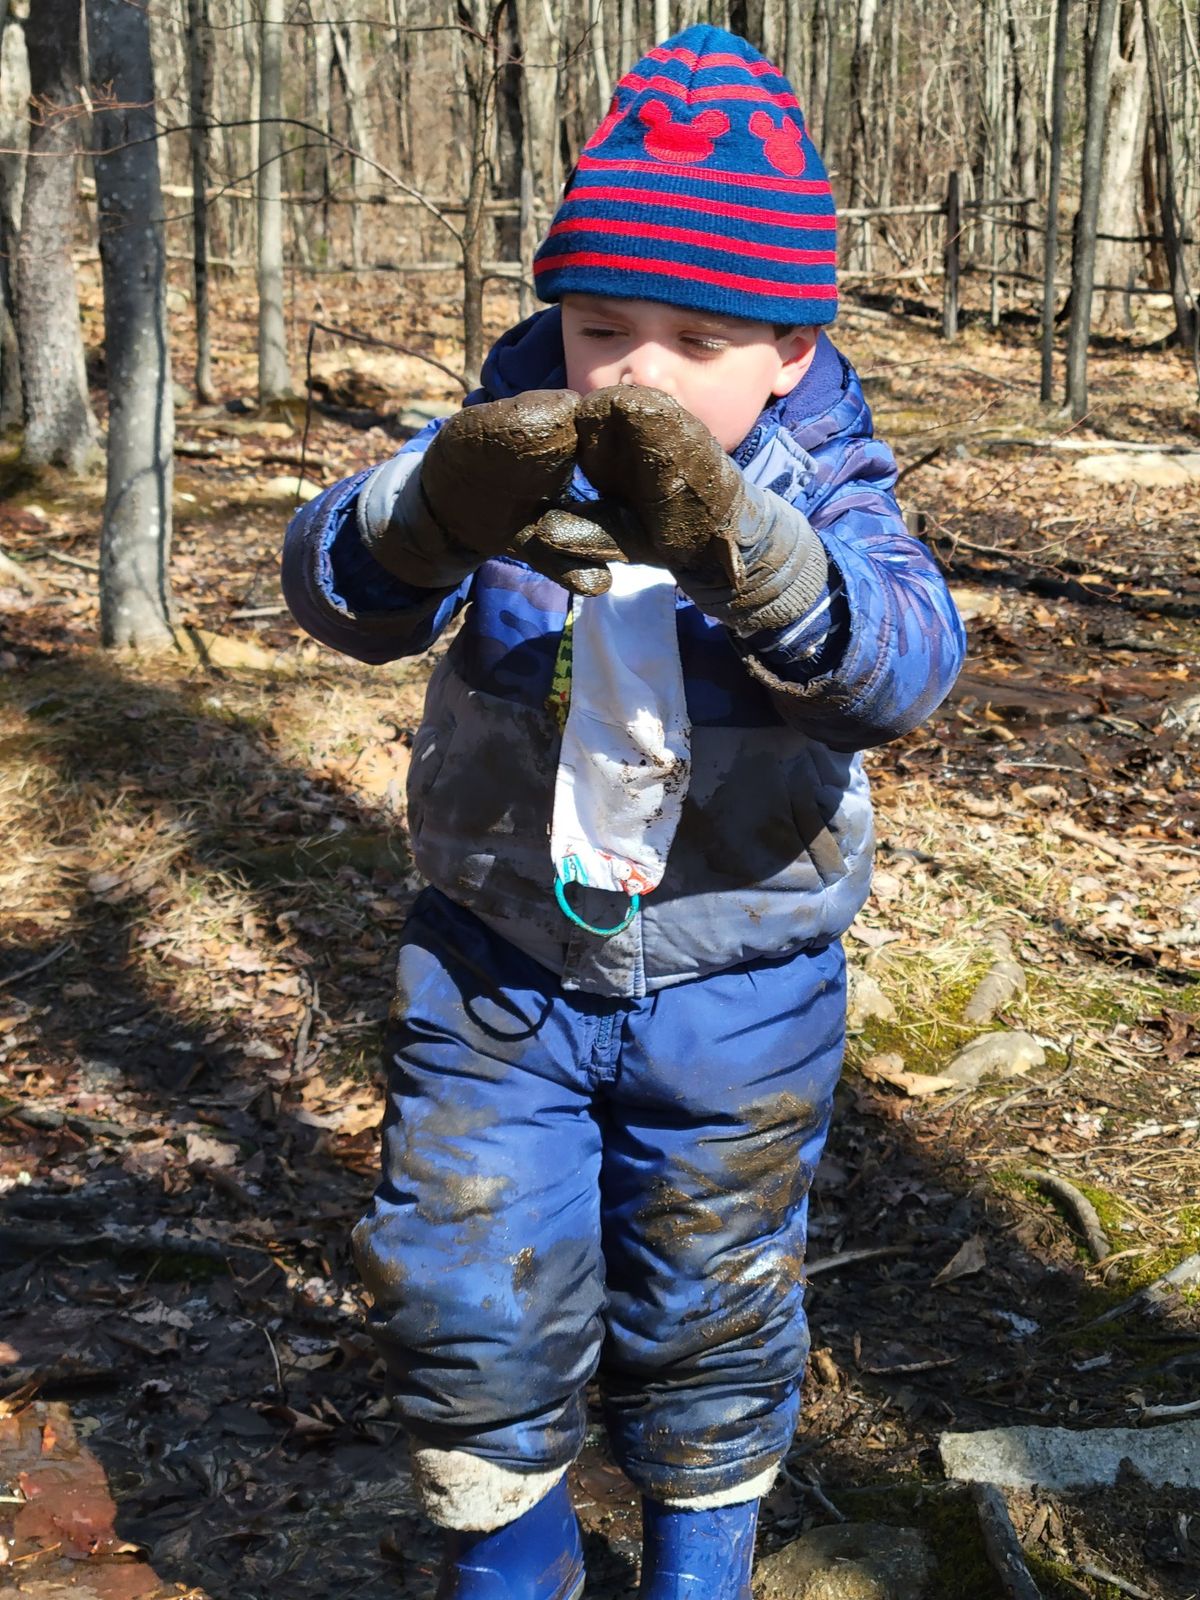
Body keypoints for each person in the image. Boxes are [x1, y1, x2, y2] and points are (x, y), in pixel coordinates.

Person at [282, 25, 965, 1600]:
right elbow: (341, 592)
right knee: (466, 1297)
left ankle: (698, 1568)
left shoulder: (833, 481)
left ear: (791, 346)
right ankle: (511, 1567)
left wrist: (749, 547)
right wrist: (430, 516)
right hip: (493, 966)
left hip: (742, 981)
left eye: (693, 335)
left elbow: (907, 665)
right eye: (599, 325)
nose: (633, 374)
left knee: (711, 1306)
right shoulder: (502, 437)